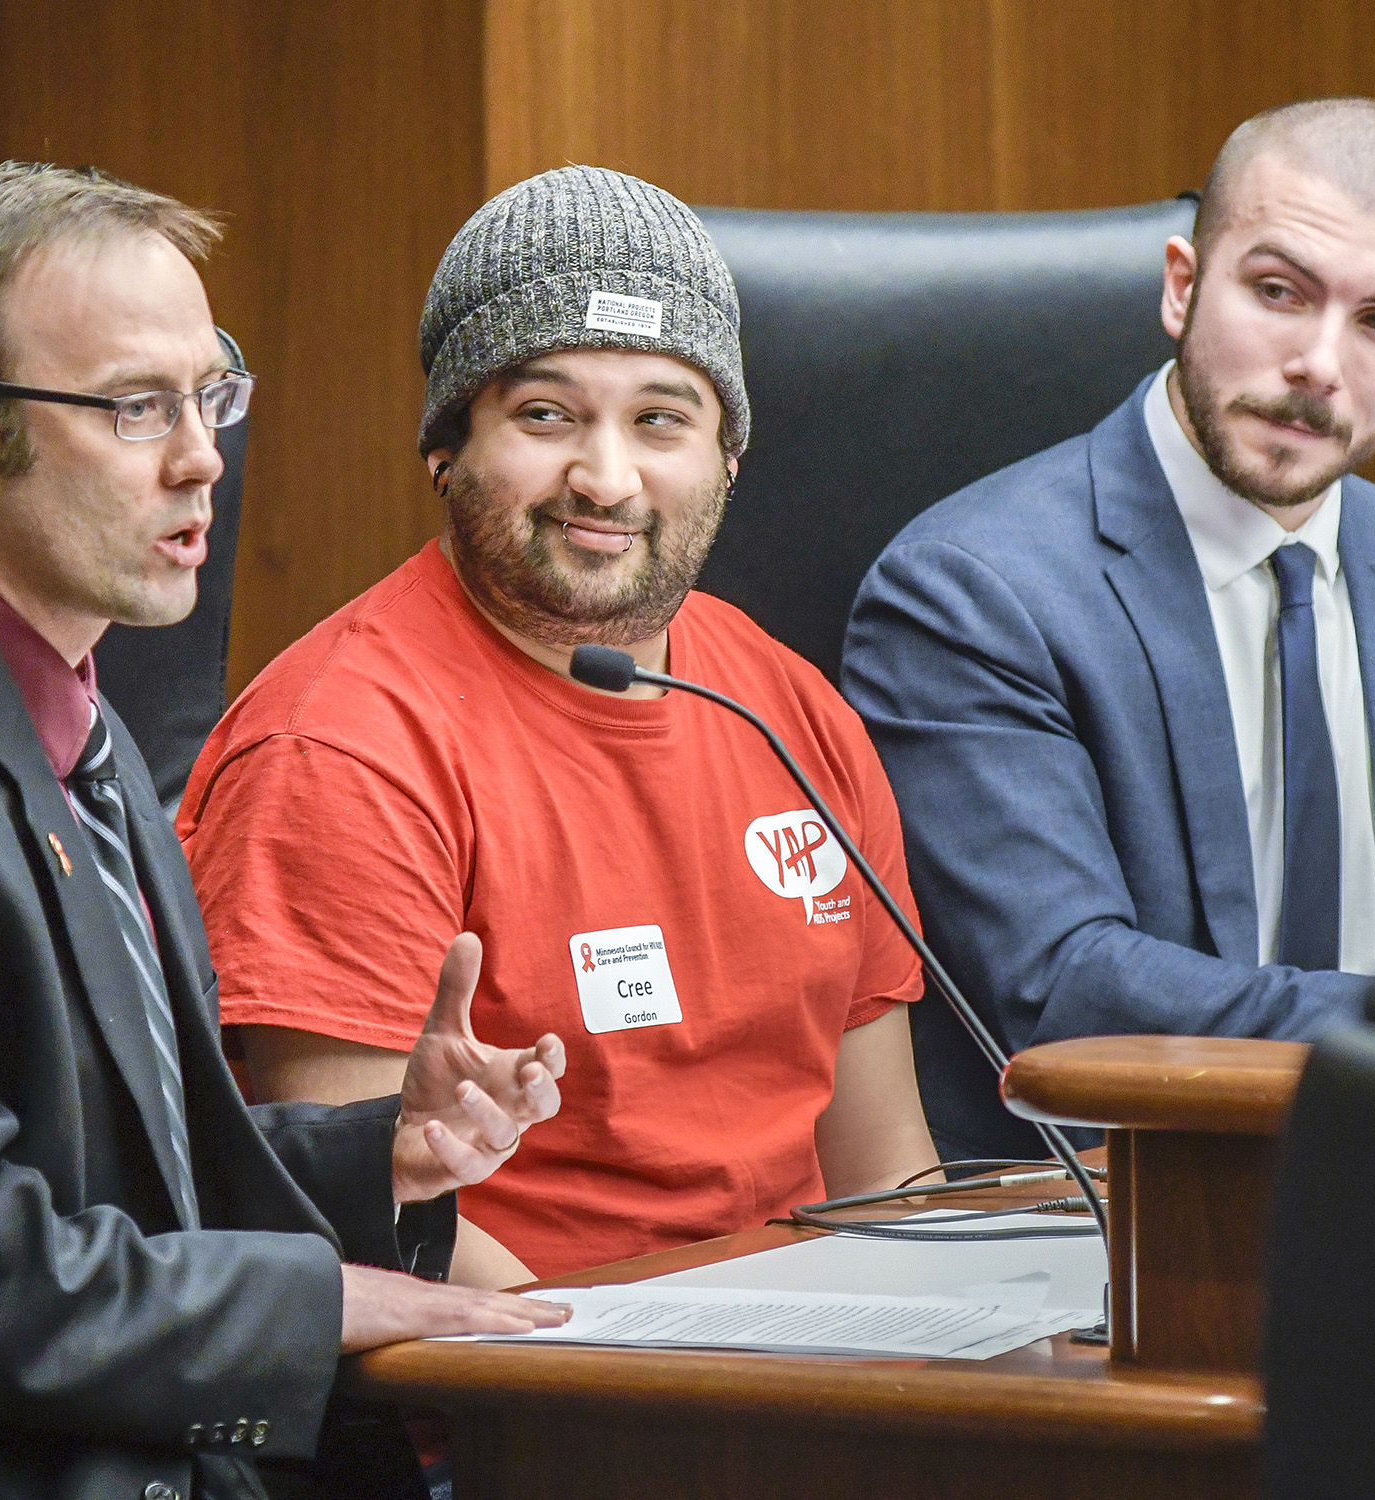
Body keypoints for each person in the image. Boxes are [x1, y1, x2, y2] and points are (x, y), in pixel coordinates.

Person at [0, 161, 571, 1500]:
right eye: (135, 407)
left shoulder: (79, 721)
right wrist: (308, 1303)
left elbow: (117, 1168)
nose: (201, 455)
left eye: (209, 391)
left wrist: (379, 1152)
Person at [179, 166, 938, 1287]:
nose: (608, 477)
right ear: (446, 447)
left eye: (661, 420)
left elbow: (884, 1164)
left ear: (727, 456)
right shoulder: (339, 747)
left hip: (814, 1382)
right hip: (529, 1405)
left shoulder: (791, 710)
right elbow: (365, 1216)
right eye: (546, 415)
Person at [843, 97, 1375, 1161]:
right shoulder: (973, 591)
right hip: (1116, 1218)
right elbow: (1066, 988)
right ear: (1182, 286)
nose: (1318, 364)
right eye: (1278, 293)